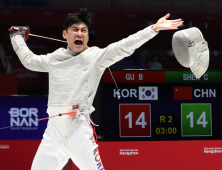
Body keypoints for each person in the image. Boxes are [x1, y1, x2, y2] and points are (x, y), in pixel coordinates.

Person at [9, 9, 183, 170]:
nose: (79, 33)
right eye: (75, 29)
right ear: (65, 34)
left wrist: (152, 29)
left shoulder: (95, 57)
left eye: (84, 30)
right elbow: (29, 61)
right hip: (53, 130)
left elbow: (124, 46)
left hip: (77, 128)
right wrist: (17, 37)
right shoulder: (54, 58)